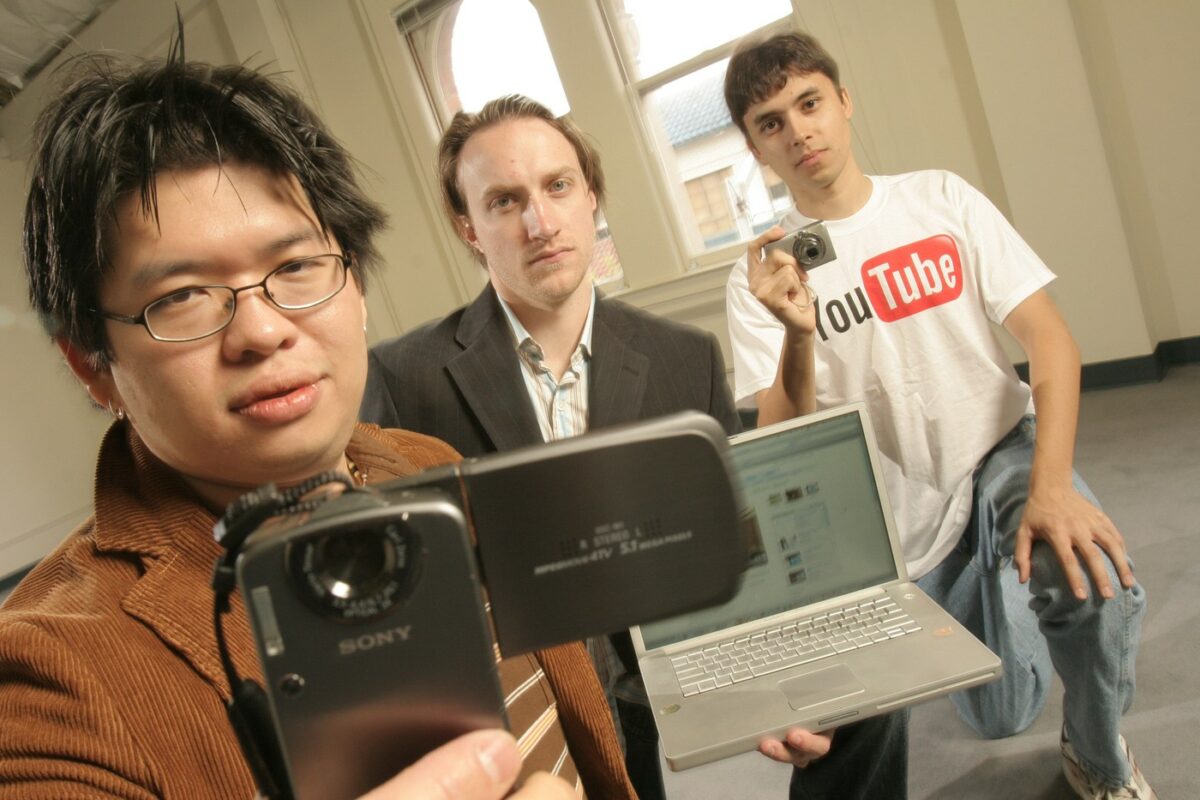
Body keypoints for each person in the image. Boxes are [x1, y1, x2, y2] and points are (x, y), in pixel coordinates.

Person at [0, 41, 635, 800]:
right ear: (91, 364)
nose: (262, 331)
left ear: (357, 285)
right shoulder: (49, 680)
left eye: (297, 267)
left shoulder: (424, 463)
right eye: (182, 297)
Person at [360, 94, 907, 800]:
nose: (539, 222)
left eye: (558, 187)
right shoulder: (406, 377)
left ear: (591, 196)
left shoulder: (684, 356)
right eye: (504, 201)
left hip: (667, 652)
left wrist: (770, 668)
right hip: (530, 678)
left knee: (867, 700)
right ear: (469, 226)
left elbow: (731, 533)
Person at [723, 30, 1153, 800]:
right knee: (997, 714)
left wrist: (1051, 489)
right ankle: (998, 591)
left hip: (1000, 454)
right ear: (757, 148)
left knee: (1094, 578)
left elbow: (1051, 342)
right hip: (896, 519)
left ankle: (1097, 754)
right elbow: (782, 438)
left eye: (810, 103)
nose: (800, 132)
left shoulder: (938, 199)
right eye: (772, 123)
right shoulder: (759, 278)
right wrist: (796, 331)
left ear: (844, 103)